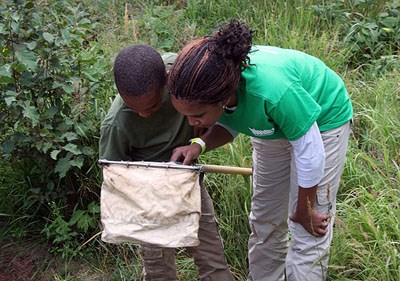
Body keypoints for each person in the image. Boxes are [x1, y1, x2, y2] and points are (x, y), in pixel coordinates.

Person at [166, 20, 353, 281]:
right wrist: (198, 145)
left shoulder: (271, 92)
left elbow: (310, 154)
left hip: (322, 120)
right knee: (265, 220)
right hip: (275, 123)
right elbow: (233, 121)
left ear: (222, 97)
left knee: (307, 229)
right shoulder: (219, 88)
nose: (191, 123)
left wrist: (304, 209)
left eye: (197, 115)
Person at [99, 44, 234, 281]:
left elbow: (219, 106)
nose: (143, 114)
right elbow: (116, 177)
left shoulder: (183, 76)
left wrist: (201, 139)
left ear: (168, 83)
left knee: (211, 257)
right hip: (146, 195)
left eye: (152, 106)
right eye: (133, 108)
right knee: (157, 268)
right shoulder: (116, 123)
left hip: (186, 180)